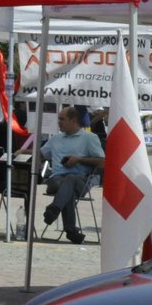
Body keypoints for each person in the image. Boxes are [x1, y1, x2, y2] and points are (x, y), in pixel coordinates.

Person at [39, 104, 104, 245]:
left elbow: (102, 162)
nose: (59, 122)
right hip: (56, 180)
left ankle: (58, 212)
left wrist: (79, 159)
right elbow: (40, 154)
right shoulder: (56, 139)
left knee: (70, 180)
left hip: (81, 181)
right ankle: (67, 227)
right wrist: (21, 152)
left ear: (74, 120)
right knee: (67, 186)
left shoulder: (89, 138)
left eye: (62, 119)